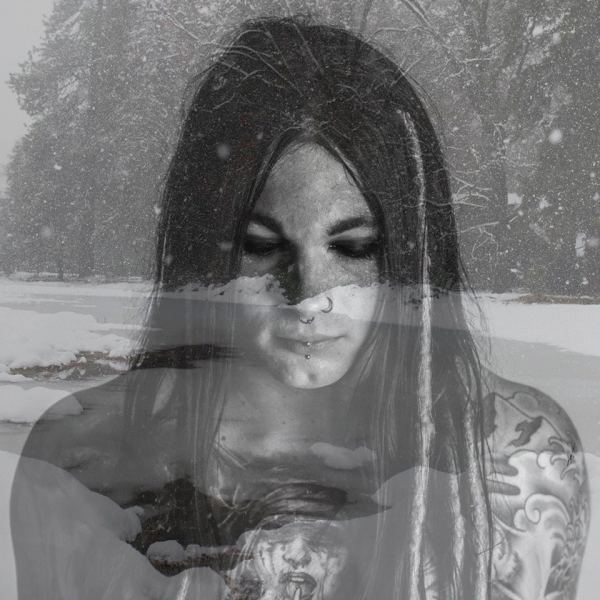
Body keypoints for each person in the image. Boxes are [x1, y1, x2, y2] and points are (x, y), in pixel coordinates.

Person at [11, 16, 589, 600]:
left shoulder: (519, 456)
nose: (309, 292)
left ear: (411, 256)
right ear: (202, 250)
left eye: (354, 248)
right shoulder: (81, 462)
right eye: (261, 246)